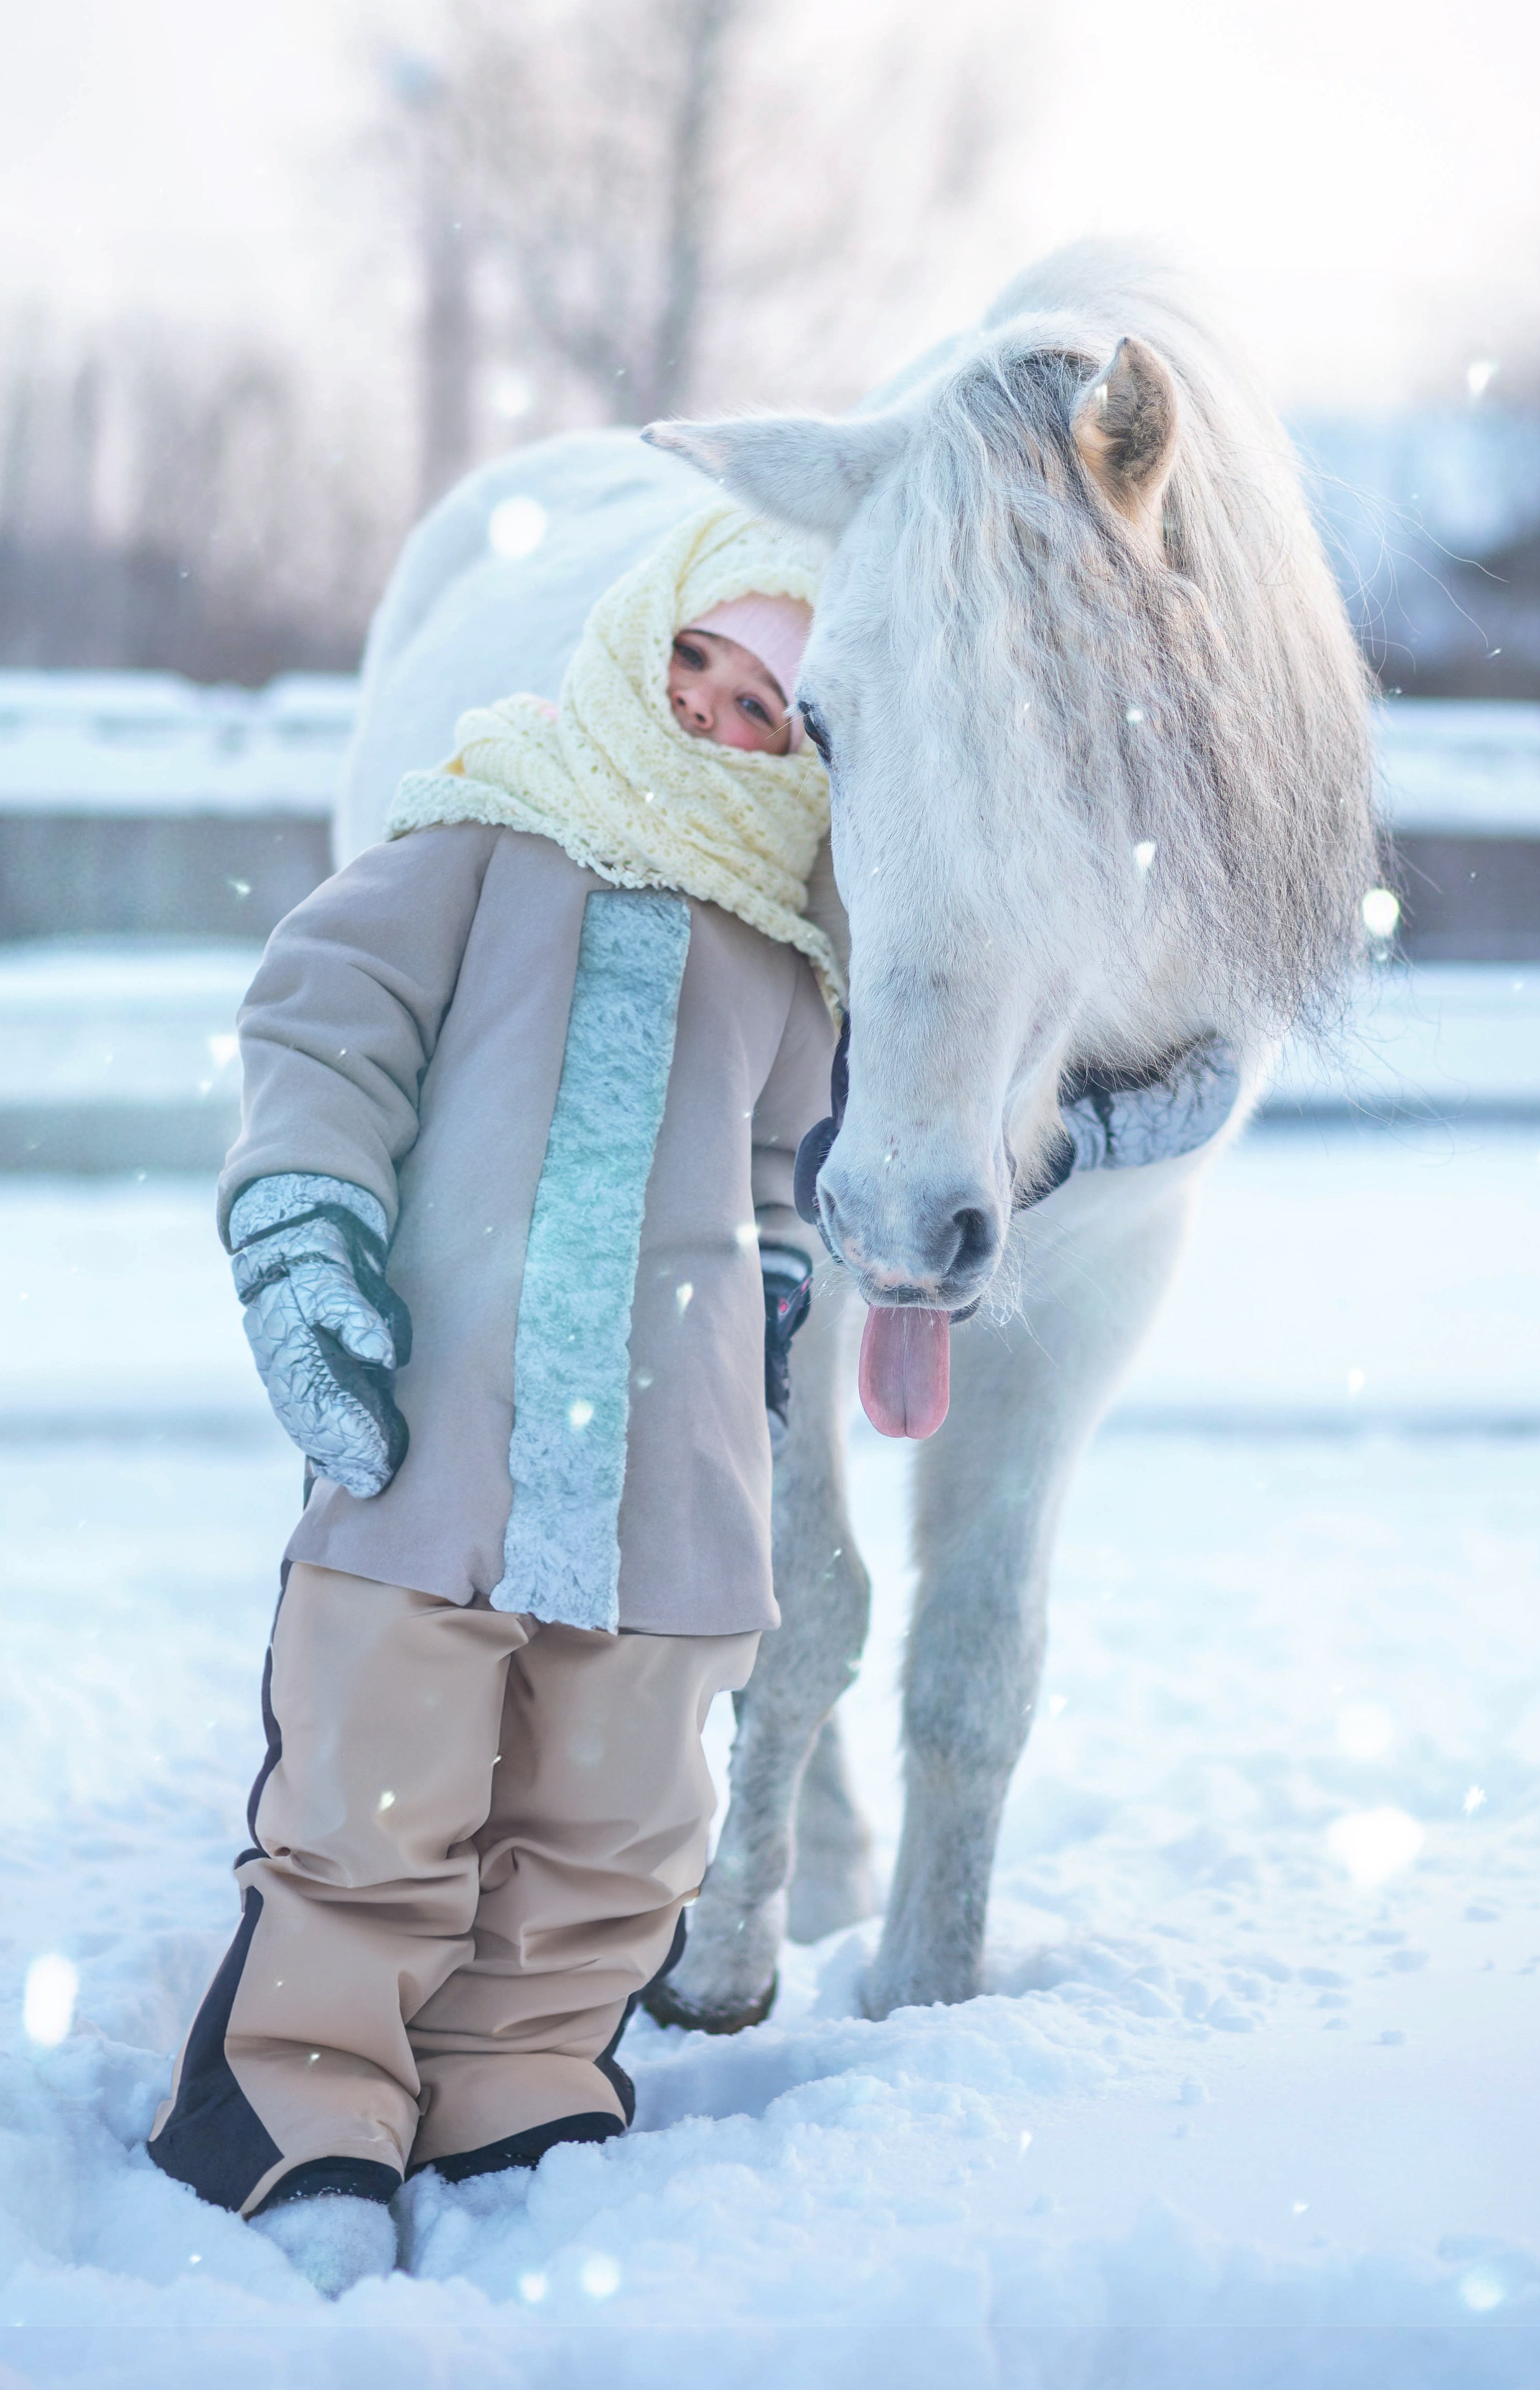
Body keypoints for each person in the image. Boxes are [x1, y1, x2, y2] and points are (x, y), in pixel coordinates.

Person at [146, 502, 841, 2294]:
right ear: (637, 640)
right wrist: (308, 1231)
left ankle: (518, 2071)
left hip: (666, 1467)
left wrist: (765, 1318)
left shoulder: (784, 937)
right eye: (695, 659)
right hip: (442, 1408)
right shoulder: (488, 822)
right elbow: (326, 1022)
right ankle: (299, 2094)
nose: (709, 712)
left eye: (764, 704)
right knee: (376, 1783)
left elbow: (778, 1170)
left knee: (616, 1815)